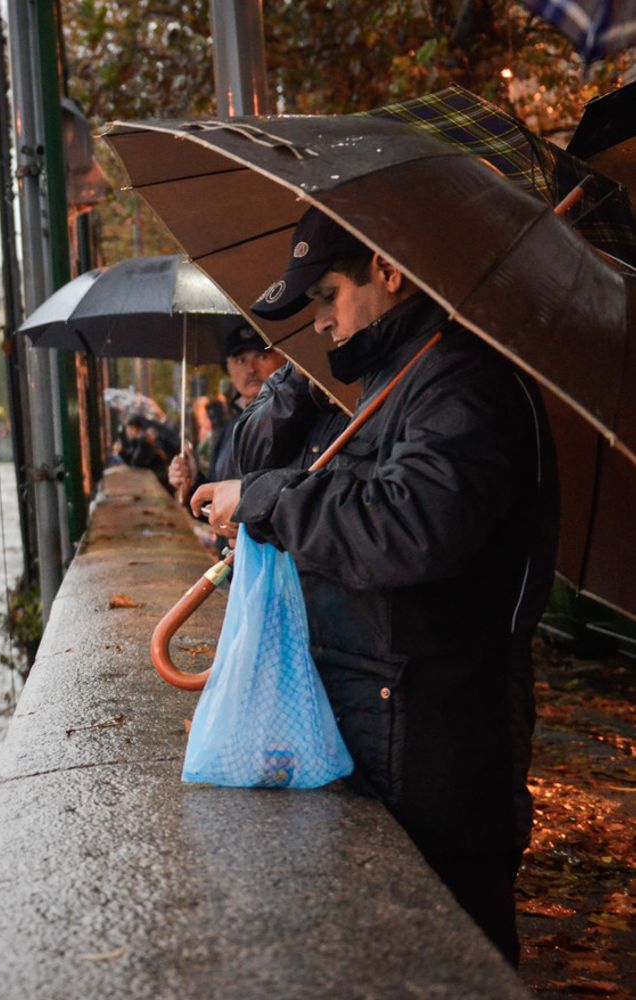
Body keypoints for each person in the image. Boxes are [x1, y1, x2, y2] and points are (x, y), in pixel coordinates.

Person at [190, 207, 559, 966]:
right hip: (390, 731)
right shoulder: (398, 376)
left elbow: (408, 527)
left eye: (327, 296)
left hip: (441, 752)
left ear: (387, 270)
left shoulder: (466, 382)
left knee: (450, 959)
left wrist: (263, 500)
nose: (319, 324)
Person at [168, 323, 285, 506]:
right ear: (228, 367)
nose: (251, 369)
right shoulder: (229, 430)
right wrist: (192, 484)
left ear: (282, 359)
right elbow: (219, 512)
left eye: (262, 356)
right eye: (240, 360)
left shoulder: (294, 423)